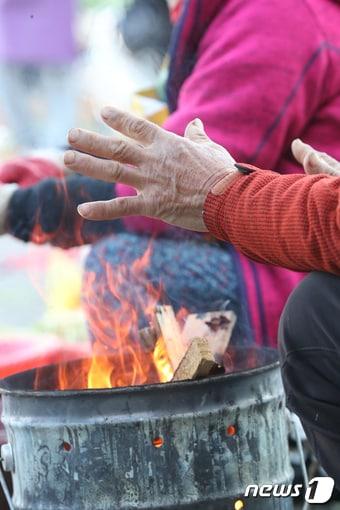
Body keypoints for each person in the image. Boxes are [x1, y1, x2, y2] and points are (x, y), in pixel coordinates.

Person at [2, 0, 340, 346]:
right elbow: (172, 147)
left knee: (125, 266)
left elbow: (180, 185)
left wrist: (21, 208)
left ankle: (174, 400)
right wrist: (56, 165)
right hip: (278, 255)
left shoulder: (279, 15)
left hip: (293, 285)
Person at [64, 107, 340, 484]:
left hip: (269, 281)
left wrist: (223, 193)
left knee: (122, 263)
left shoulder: (272, 45)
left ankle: (165, 478)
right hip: (276, 249)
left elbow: (182, 165)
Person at [0, 0, 77, 149]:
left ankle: (48, 152)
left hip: (46, 25)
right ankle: (52, 152)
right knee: (57, 95)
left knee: (55, 91)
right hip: (47, 26)